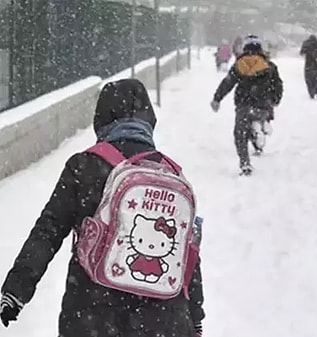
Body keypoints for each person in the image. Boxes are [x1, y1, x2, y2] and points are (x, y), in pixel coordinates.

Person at [0, 79, 205, 337]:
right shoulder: (171, 174)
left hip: (92, 313)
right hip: (163, 319)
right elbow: (189, 254)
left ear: (102, 119)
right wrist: (194, 315)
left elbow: (48, 230)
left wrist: (16, 289)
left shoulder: (84, 166)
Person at [210, 34, 283, 176]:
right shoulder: (269, 66)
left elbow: (228, 83)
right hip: (263, 104)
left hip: (243, 104)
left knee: (240, 134)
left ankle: (245, 163)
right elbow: (278, 85)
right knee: (261, 118)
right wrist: (275, 100)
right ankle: (262, 129)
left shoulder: (239, 65)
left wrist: (217, 99)